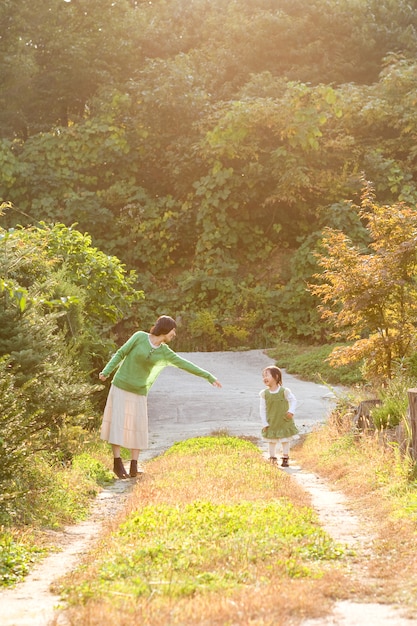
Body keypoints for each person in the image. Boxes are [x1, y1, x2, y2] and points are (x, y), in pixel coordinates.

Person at [99, 315, 222, 479]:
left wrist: (208, 376)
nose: (174, 334)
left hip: (139, 391)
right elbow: (121, 353)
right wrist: (106, 371)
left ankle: (134, 466)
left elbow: (184, 364)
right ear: (165, 329)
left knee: (138, 427)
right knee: (118, 424)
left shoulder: (164, 351)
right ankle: (117, 462)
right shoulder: (139, 337)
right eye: (173, 331)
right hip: (121, 386)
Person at [259, 365, 299, 467]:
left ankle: (285, 458)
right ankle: (272, 458)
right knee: (271, 441)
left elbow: (293, 400)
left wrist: (291, 411)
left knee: (285, 440)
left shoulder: (284, 391)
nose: (264, 378)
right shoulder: (264, 394)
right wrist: (264, 422)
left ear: (276, 377)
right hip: (271, 421)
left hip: (284, 420)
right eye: (263, 376)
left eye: (267, 375)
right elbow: (262, 409)